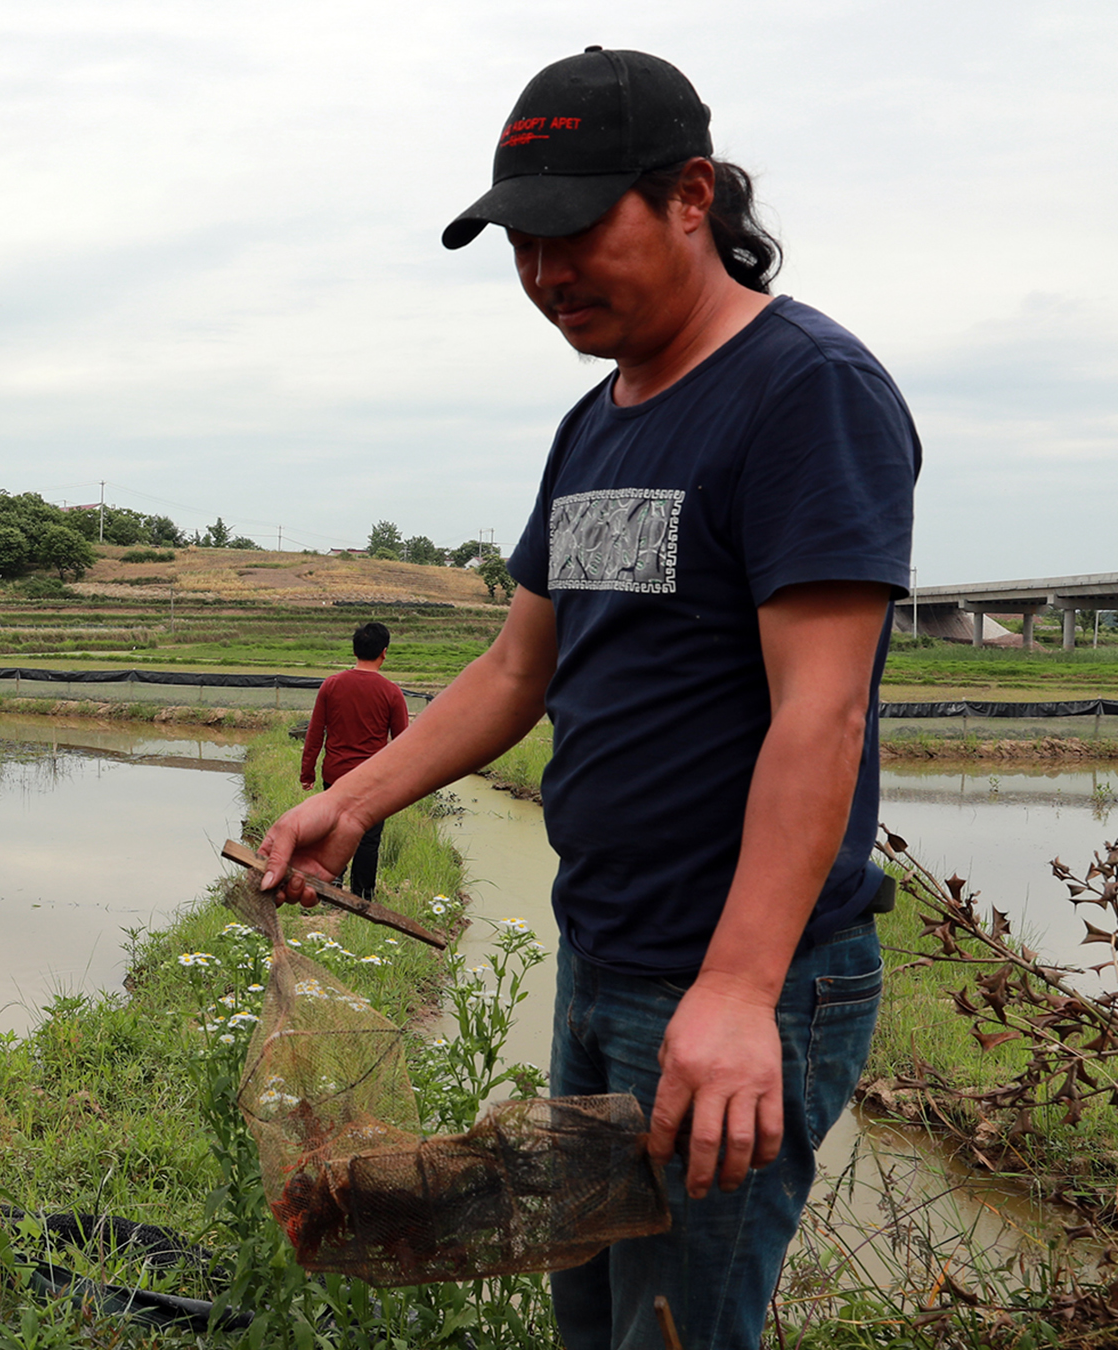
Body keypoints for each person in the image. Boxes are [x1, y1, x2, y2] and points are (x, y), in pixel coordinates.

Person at [259, 48, 920, 1350]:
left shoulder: (806, 394)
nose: (547, 275)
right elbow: (520, 668)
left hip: (743, 980)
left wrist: (734, 991)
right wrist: (350, 799)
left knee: (678, 1327)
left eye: (573, 231)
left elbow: (821, 714)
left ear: (690, 196)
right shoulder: (598, 419)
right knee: (592, 1315)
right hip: (607, 952)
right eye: (521, 245)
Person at [299, 621, 408, 900]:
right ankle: (362, 895)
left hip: (335, 776)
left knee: (333, 831)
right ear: (384, 652)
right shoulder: (392, 692)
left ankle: (331, 886)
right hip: (374, 782)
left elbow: (315, 733)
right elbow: (404, 743)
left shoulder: (332, 685)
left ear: (355, 649)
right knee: (368, 840)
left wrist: (307, 772)